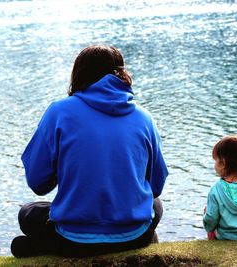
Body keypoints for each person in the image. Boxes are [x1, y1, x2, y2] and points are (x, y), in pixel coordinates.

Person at [11, 45, 169, 257]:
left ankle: (42, 248)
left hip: (74, 239)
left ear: (78, 75)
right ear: (122, 73)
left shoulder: (59, 112)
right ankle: (145, 243)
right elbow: (156, 186)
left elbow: (38, 183)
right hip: (133, 235)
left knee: (27, 213)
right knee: (155, 205)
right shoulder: (144, 118)